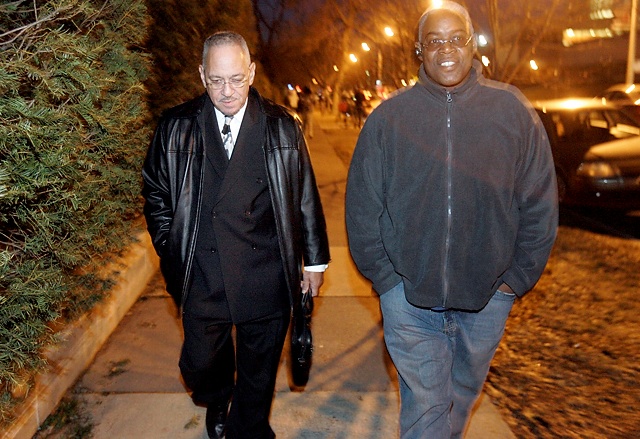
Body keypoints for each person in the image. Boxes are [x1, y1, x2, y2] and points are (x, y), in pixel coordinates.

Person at [345, 2, 558, 438]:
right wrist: (387, 281)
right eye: (435, 40)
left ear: (472, 44)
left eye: (456, 38)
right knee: (426, 409)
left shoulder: (512, 112)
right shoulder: (389, 119)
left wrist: (513, 281)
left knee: (458, 402)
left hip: (486, 298)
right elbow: (362, 209)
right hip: (409, 299)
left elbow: (539, 204)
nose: (447, 49)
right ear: (419, 50)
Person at [142, 31, 330, 439]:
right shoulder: (176, 127)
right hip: (202, 273)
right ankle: (218, 394)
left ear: (251, 72)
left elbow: (305, 197)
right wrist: (170, 243)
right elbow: (155, 192)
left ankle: (248, 428)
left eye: (236, 79)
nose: (227, 92)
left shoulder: (282, 128)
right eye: (216, 81)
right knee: (199, 363)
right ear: (201, 76)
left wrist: (314, 262)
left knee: (259, 374)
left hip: (266, 271)